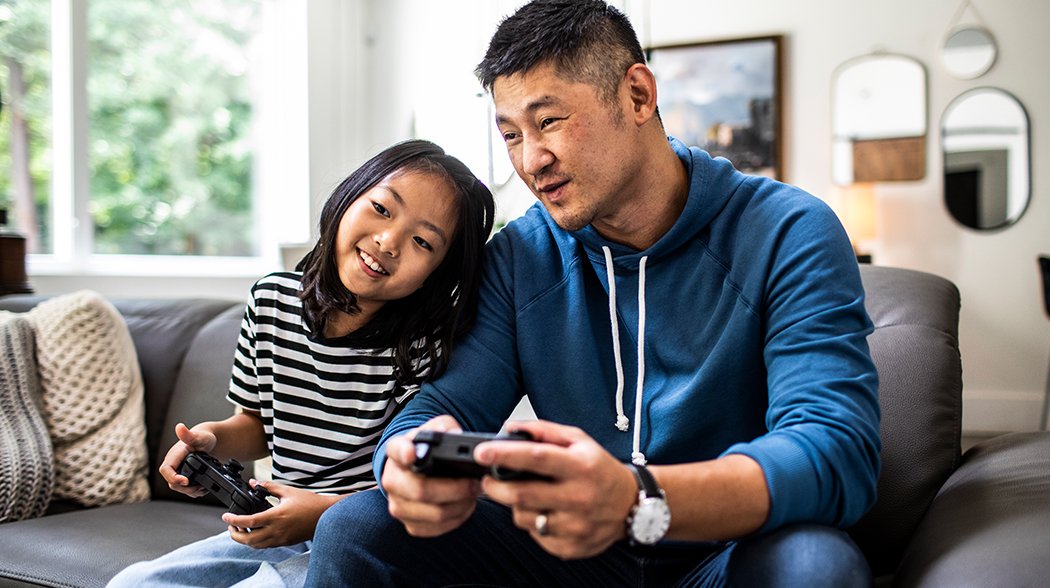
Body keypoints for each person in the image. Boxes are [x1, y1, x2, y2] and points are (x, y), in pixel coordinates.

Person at [305, 1, 881, 586]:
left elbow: (836, 452)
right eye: (510, 135)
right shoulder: (520, 255)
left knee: (817, 566)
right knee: (358, 527)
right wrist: (407, 457)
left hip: (725, 551)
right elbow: (438, 410)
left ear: (637, 95)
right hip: (565, 555)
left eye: (548, 121)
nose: (531, 161)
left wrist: (636, 498)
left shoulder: (788, 231)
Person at [106, 139, 495, 588]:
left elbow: (415, 482)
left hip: (366, 535)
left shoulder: (421, 347)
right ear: (349, 196)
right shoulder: (270, 300)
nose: (388, 242)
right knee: (135, 582)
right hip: (276, 523)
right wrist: (211, 440)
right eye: (383, 209)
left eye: (423, 241)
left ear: (437, 273)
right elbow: (256, 426)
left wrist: (321, 514)